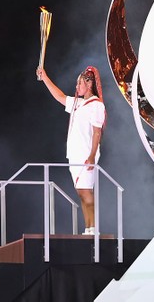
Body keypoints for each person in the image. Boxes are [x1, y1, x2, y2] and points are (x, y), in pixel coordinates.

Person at [36, 65, 106, 235]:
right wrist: (45, 78)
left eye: (79, 84)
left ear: (89, 84)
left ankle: (93, 229)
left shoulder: (96, 105)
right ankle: (89, 228)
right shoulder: (78, 103)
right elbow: (59, 96)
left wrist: (91, 156)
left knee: (86, 192)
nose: (76, 87)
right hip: (75, 154)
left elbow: (97, 132)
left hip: (86, 154)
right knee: (81, 192)